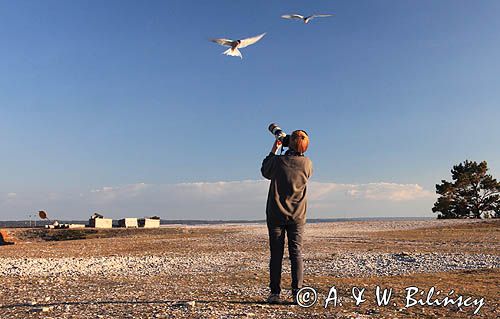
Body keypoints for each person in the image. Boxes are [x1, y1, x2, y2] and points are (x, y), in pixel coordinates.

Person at [260, 130, 313, 304]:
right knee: (296, 254)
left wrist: (275, 148)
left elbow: (264, 170)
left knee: (276, 254)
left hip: (275, 214)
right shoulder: (307, 164)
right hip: (297, 216)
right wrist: (290, 145)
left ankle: (275, 293)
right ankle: (297, 292)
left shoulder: (277, 161)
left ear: (289, 143)